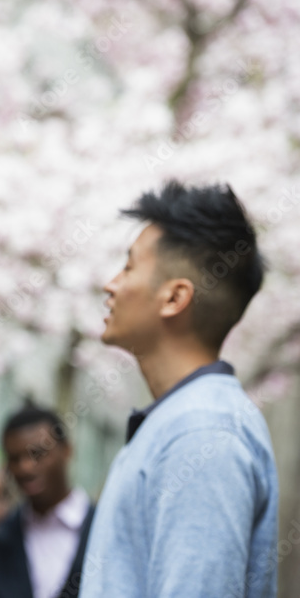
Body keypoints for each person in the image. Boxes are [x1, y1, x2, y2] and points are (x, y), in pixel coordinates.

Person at [78, 180, 279, 597]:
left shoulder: (203, 432)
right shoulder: (183, 421)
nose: (110, 284)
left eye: (129, 266)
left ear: (174, 297)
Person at [0, 405, 95, 598]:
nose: (25, 467)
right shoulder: (0, 534)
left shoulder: (104, 527)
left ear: (67, 451)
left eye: (37, 454)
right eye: (14, 458)